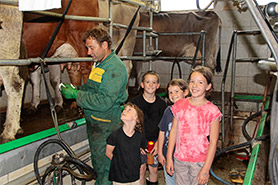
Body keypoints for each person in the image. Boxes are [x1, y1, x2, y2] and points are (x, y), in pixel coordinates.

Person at [60, 26, 128, 185]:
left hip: (107, 126)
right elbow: (92, 88)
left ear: (104, 45)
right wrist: (77, 89)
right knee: (99, 166)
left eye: (92, 48)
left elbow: (105, 101)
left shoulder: (114, 68)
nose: (89, 52)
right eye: (87, 48)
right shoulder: (100, 65)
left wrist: (77, 95)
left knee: (105, 169)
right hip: (97, 125)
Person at [166, 66, 222, 185]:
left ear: (208, 86)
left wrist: (206, 169)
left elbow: (213, 141)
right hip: (180, 159)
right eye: (192, 81)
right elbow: (173, 131)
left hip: (200, 162)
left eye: (200, 82)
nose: (195, 85)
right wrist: (169, 157)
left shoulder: (212, 111)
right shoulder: (180, 105)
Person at [131, 70, 167, 185]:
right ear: (142, 85)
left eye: (154, 82)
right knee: (141, 169)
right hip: (139, 141)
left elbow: (164, 127)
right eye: (147, 82)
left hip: (155, 142)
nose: (151, 85)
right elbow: (131, 125)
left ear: (158, 86)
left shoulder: (162, 104)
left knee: (153, 169)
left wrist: (158, 144)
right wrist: (138, 143)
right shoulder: (135, 103)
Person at [106, 103, 146, 185]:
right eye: (124, 109)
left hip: (134, 176)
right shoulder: (115, 135)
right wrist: (120, 164)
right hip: (119, 178)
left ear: (136, 118)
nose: (124, 111)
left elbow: (141, 148)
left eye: (129, 110)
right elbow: (108, 153)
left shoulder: (139, 136)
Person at [157, 79, 189, 185]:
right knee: (170, 181)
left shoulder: (190, 112)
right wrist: (160, 153)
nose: (173, 95)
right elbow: (162, 132)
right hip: (168, 156)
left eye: (176, 91)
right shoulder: (168, 111)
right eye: (170, 92)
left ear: (185, 92)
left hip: (184, 159)